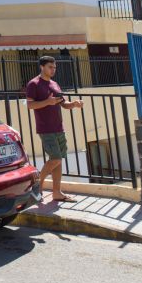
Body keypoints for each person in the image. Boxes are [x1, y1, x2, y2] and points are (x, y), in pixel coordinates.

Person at [23, 56, 83, 203]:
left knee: (58, 160)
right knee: (55, 158)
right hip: (45, 128)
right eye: (50, 67)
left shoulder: (55, 84)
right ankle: (37, 185)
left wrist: (73, 104)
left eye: (54, 67)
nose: (53, 69)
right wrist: (47, 102)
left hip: (58, 127)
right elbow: (30, 105)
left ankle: (57, 193)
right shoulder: (34, 84)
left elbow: (64, 104)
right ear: (42, 67)